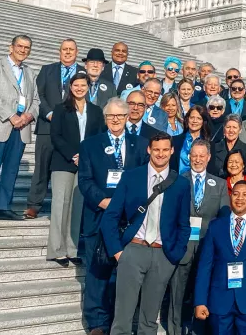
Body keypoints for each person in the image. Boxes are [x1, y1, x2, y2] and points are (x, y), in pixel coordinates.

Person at [102, 133, 192, 335]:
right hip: (133, 250)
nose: (160, 154)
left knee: (149, 320)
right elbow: (111, 216)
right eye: (156, 149)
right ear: (149, 150)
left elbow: (183, 225)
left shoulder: (180, 184)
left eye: (165, 150)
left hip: (163, 255)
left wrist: (174, 255)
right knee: (122, 317)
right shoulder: (132, 176)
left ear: (172, 151)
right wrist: (118, 252)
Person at [77, 97, 150, 335]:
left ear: (128, 117)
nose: (116, 120)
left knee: (124, 273)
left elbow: (144, 180)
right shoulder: (90, 145)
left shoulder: (140, 145)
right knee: (97, 271)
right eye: (111, 116)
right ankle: (97, 322)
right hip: (99, 216)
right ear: (105, 118)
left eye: (120, 115)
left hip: (127, 220)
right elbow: (85, 181)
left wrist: (126, 204)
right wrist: (107, 201)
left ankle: (121, 320)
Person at [193, 180, 246, 335]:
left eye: (245, 195)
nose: (240, 198)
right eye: (236, 194)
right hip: (219, 301)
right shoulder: (216, 226)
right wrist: (200, 301)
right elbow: (205, 266)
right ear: (230, 197)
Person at [167, 139, 229, 335]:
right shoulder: (178, 180)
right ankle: (175, 330)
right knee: (177, 294)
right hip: (183, 247)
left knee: (202, 293)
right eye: (195, 155)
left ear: (209, 157)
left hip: (206, 249)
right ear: (189, 156)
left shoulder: (219, 184)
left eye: (202, 156)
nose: (198, 159)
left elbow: (224, 217)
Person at [0, 35, 39, 222]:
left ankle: (4, 207)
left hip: (21, 127)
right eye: (19, 46)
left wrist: (29, 115)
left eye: (27, 47)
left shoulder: (30, 72)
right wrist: (11, 116)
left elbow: (36, 100)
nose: (23, 50)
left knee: (11, 169)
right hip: (0, 124)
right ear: (10, 47)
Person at [48, 72, 104, 264]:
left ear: (88, 87)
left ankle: (71, 250)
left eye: (83, 85)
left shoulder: (96, 111)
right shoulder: (61, 109)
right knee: (60, 205)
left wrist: (86, 157)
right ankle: (57, 250)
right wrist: (73, 155)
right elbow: (55, 136)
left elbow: (98, 137)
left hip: (85, 164)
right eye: (76, 85)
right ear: (70, 87)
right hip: (63, 162)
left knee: (76, 207)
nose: (79, 89)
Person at [25, 38, 79, 220]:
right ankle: (34, 205)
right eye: (65, 49)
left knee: (65, 169)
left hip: (71, 131)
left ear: (76, 52)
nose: (68, 52)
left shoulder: (82, 72)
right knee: (42, 166)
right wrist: (49, 114)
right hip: (47, 127)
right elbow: (37, 95)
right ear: (59, 51)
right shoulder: (47, 70)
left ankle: (62, 207)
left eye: (71, 49)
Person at [172, 105, 209, 175]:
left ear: (203, 122)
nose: (195, 121)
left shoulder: (209, 143)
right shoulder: (175, 140)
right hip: (178, 180)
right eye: (192, 117)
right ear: (187, 119)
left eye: (199, 118)